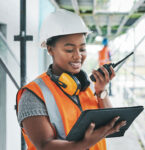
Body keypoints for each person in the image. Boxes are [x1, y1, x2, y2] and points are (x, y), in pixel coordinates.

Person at [16, 9, 126, 150]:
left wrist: (101, 90)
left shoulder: (85, 86)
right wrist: (84, 144)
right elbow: (45, 145)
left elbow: (111, 124)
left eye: (82, 49)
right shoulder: (33, 94)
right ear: (50, 50)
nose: (78, 56)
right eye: (69, 50)